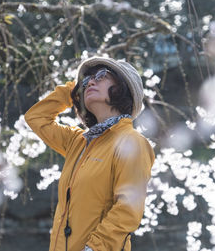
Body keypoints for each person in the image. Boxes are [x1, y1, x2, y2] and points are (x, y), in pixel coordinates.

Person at [25, 56, 155, 251]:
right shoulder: (78, 142)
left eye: (102, 75)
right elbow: (36, 118)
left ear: (122, 88)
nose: (91, 82)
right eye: (87, 80)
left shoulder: (132, 143)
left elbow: (129, 209)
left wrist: (94, 248)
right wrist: (73, 90)